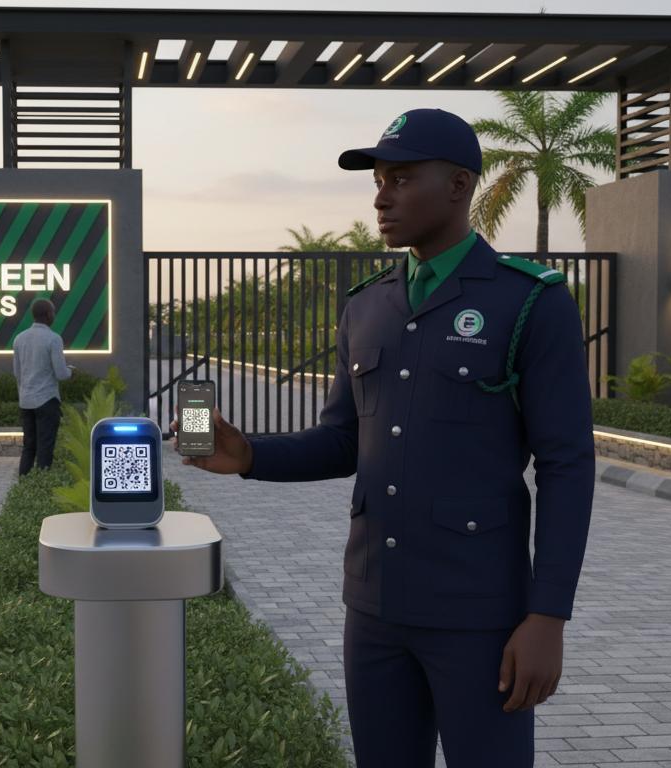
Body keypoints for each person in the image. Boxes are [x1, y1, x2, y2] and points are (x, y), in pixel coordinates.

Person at [172, 108, 594, 767]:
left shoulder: (530, 303)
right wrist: (251, 455)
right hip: (375, 610)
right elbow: (343, 440)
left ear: (459, 185)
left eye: (400, 178)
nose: (380, 196)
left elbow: (567, 465)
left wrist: (548, 617)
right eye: (377, 180)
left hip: (479, 616)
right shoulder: (367, 305)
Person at [12, 298, 73, 475]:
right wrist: (72, 372)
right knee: (45, 448)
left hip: (26, 401)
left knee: (28, 447)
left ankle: (24, 487)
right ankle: (42, 484)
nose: (54, 315)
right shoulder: (53, 339)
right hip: (47, 401)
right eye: (53, 312)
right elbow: (61, 373)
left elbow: (17, 373)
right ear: (48, 315)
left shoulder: (19, 338)